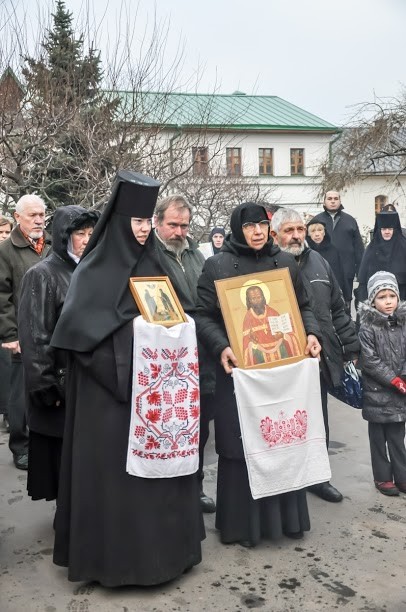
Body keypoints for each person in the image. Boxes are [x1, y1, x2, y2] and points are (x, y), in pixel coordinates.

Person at [50, 171, 204, 587]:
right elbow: (79, 339)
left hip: (156, 397)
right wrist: (137, 338)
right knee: (117, 484)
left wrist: (179, 329)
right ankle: (115, 564)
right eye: (135, 221)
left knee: (159, 483)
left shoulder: (156, 263)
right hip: (109, 402)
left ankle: (167, 556)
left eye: (146, 222)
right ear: (119, 221)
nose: (142, 229)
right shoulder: (92, 271)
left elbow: (178, 313)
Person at [195, 202, 322, 547]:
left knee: (282, 438)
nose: (257, 232)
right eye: (249, 226)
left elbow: (303, 306)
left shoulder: (284, 262)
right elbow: (203, 315)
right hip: (239, 373)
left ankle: (288, 520)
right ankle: (243, 526)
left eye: (262, 226)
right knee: (242, 443)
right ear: (238, 229)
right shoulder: (217, 265)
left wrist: (311, 333)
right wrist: (222, 345)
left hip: (281, 372)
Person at [271, 208, 360, 503]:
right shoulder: (268, 265)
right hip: (282, 361)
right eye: (289, 230)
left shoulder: (319, 262)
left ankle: (318, 478)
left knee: (318, 419)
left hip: (317, 358)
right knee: (283, 421)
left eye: (300, 229)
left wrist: (351, 346)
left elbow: (338, 308)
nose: (296, 235)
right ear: (275, 235)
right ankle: (285, 481)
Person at [18, 205, 99, 502]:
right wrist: (44, 384)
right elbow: (34, 334)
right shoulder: (42, 274)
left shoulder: (92, 271)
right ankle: (67, 517)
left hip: (90, 381)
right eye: (80, 233)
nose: (87, 239)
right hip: (60, 383)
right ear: (65, 235)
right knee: (61, 460)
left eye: (91, 233)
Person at [154, 195, 216, 513]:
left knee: (199, 428)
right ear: (157, 222)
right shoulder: (147, 254)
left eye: (184, 225)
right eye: (173, 225)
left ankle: (195, 487)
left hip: (202, 353)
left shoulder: (197, 254)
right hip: (167, 358)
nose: (179, 232)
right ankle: (166, 493)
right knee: (168, 428)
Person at [0, 195, 52, 470]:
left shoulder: (53, 245)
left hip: (52, 331)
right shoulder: (6, 251)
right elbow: (2, 296)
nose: (39, 220)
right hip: (22, 334)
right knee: (21, 394)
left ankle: (45, 443)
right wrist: (10, 334)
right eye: (33, 215)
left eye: (42, 214)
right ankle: (21, 446)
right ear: (17, 217)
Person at [358, 271, 406, 496]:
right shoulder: (368, 327)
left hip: (399, 393)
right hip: (376, 392)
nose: (388, 302)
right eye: (382, 297)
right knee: (378, 438)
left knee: (397, 437)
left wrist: (403, 376)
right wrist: (393, 379)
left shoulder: (403, 323)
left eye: (392, 296)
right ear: (372, 301)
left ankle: (402, 476)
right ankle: (382, 477)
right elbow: (369, 360)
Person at [312, 191, 364, 310]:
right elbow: (310, 247)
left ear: (340, 201)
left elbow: (359, 249)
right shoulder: (316, 221)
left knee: (345, 305)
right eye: (329, 198)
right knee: (324, 305)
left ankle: (347, 320)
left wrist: (360, 273)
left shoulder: (350, 220)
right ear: (324, 202)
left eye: (336, 198)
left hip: (346, 272)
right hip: (323, 272)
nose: (333, 201)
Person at [242, 285, 301, 366]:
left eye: (259, 297)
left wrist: (282, 335)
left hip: (280, 352)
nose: (257, 301)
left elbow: (289, 333)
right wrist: (252, 342)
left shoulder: (272, 312)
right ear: (249, 301)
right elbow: (246, 345)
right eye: (253, 298)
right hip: (260, 356)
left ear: (263, 297)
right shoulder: (248, 318)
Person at [356, 211, 406, 303]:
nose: (387, 232)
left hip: (402, 300)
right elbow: (363, 283)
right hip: (376, 303)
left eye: (390, 229)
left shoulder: (404, 248)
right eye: (383, 229)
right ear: (379, 230)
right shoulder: (371, 249)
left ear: (395, 230)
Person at [306, 218, 350, 303]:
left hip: (332, 295)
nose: (317, 234)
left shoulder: (333, 251)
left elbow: (341, 274)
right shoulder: (305, 252)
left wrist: (347, 296)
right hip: (312, 296)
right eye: (313, 231)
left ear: (324, 232)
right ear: (308, 234)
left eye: (320, 230)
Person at [0, 215, 13, 432]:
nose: (3, 236)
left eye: (7, 232)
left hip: (6, 323)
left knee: (8, 371)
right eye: (0, 232)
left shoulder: (10, 255)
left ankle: (10, 413)